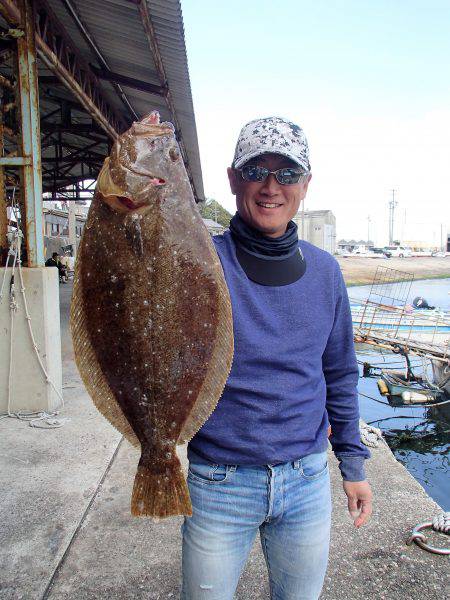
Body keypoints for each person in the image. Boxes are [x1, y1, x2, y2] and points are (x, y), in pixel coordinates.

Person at [180, 117, 373, 600]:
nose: (271, 187)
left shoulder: (326, 273)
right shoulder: (199, 261)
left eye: (287, 174)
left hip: (306, 480)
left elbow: (340, 374)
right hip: (218, 481)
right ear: (231, 178)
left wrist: (352, 463)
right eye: (256, 170)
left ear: (306, 185)